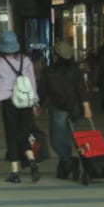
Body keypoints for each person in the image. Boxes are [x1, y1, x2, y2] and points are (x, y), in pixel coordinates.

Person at [0, 30, 40, 184]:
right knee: (24, 133)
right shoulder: (25, 61)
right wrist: (35, 102)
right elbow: (32, 82)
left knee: (12, 135)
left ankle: (15, 173)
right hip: (25, 101)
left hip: (9, 102)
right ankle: (31, 159)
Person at [38, 40, 91, 179]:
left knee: (59, 141)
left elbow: (81, 89)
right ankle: (67, 164)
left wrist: (86, 107)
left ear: (56, 55)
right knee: (62, 141)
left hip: (67, 109)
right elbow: (43, 91)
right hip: (67, 109)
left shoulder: (62, 71)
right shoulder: (60, 71)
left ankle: (67, 163)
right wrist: (86, 107)